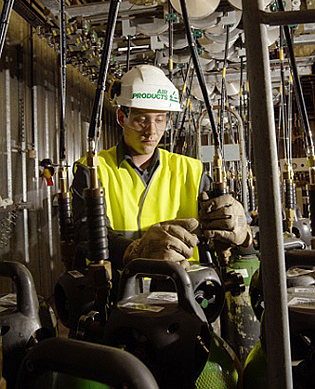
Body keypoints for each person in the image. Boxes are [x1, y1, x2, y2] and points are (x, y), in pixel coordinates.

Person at [72, 64, 252, 272]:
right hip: (120, 293)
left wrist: (242, 228)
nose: (152, 131)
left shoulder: (191, 170)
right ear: (122, 118)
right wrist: (135, 251)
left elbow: (225, 221)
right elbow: (86, 233)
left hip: (187, 289)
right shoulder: (93, 169)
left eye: (160, 120)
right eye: (141, 120)